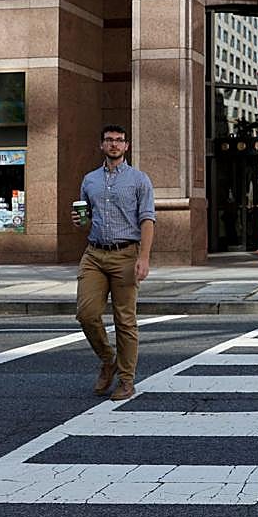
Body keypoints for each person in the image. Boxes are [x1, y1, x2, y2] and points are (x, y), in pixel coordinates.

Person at [71, 124, 155, 401]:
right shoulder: (89, 180)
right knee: (86, 313)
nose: (114, 145)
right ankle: (108, 359)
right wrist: (78, 222)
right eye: (109, 140)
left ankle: (126, 380)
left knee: (125, 321)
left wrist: (143, 257)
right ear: (101, 145)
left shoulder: (139, 180)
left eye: (119, 141)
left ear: (127, 146)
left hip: (126, 255)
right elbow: (85, 216)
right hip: (94, 254)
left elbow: (147, 220)